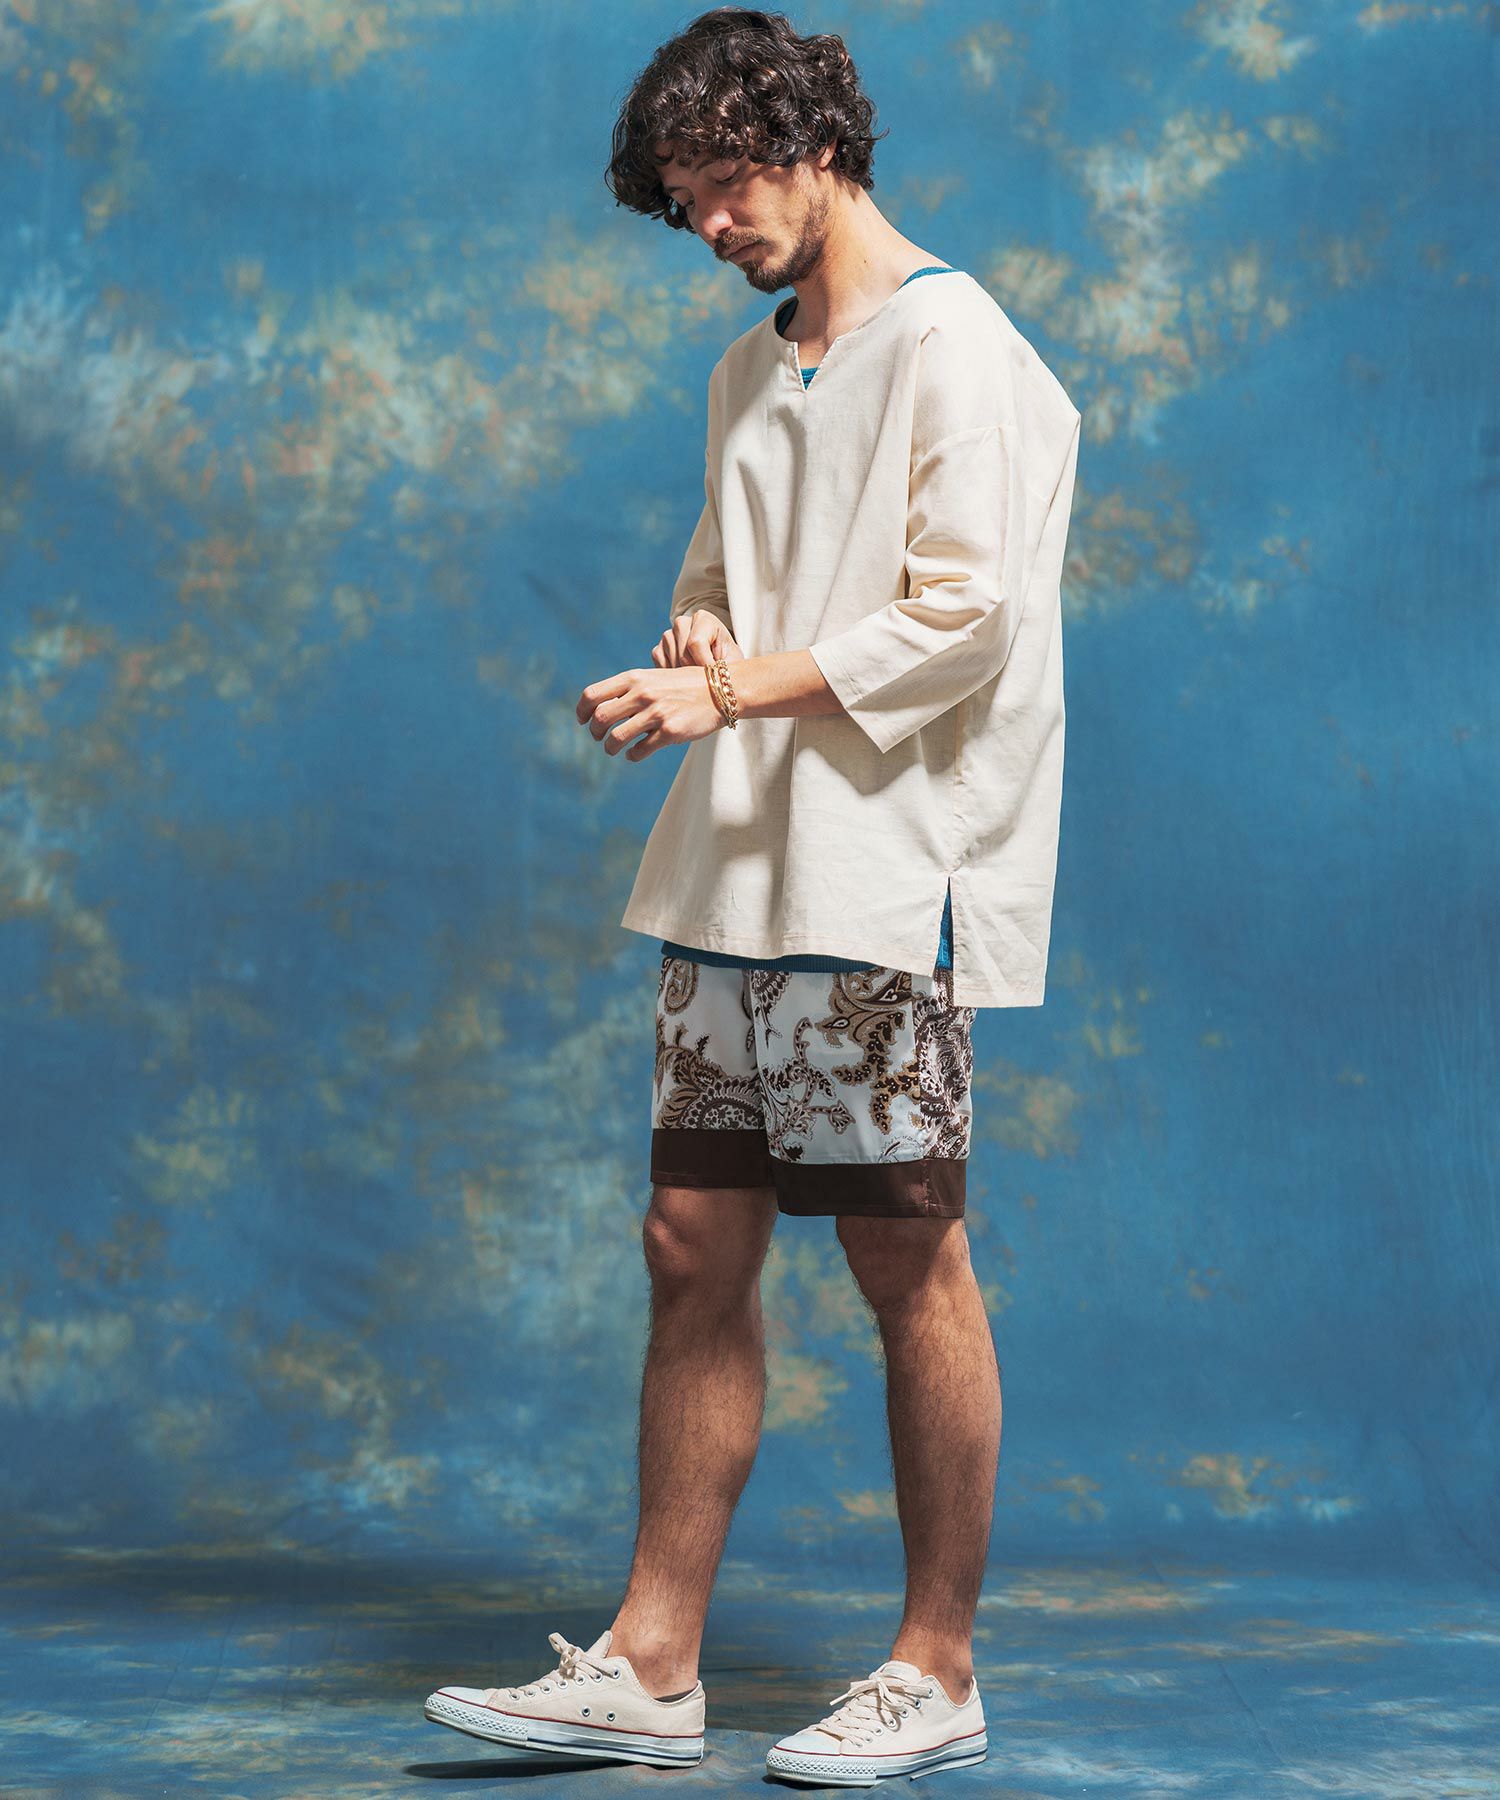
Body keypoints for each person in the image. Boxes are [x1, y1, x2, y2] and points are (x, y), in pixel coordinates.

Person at [425, 6, 1081, 1786]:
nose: (708, 227)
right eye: (686, 203)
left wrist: (733, 691)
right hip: (732, 872)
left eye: (725, 186)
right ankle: (651, 1667)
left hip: (884, 874)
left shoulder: (959, 344)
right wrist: (697, 643)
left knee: (903, 1248)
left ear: (814, 142)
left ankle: (937, 1670)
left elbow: (964, 620)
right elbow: (721, 580)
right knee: (688, 1242)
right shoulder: (746, 372)